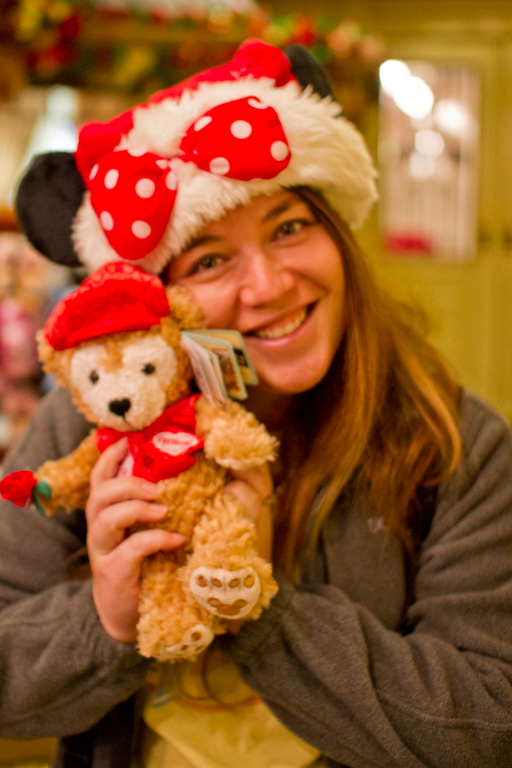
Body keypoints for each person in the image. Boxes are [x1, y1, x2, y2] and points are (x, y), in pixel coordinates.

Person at [1, 39, 511, 768]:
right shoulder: (93, 422)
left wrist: (253, 601)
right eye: (209, 260)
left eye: (290, 228)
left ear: (338, 235)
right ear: (156, 304)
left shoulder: (455, 443)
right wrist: (104, 624)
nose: (268, 285)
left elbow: (490, 724)